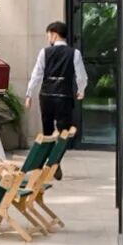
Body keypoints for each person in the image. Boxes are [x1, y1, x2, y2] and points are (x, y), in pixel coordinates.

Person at [26, 20, 87, 177]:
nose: (48, 38)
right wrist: (81, 90)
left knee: (47, 131)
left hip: (46, 95)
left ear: (54, 34)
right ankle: (55, 162)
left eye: (48, 35)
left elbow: (36, 74)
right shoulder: (74, 53)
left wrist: (29, 93)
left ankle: (42, 164)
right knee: (63, 133)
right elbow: (81, 75)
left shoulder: (44, 52)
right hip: (64, 96)